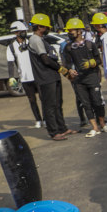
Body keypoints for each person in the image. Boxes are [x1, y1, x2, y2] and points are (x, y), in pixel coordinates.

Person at [27, 13, 78, 141]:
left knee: (57, 103)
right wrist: (61, 69)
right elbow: (45, 59)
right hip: (45, 77)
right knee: (49, 106)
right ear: (39, 27)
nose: (48, 29)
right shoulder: (35, 40)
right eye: (46, 27)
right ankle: (54, 132)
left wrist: (61, 71)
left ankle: (62, 128)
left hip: (52, 76)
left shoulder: (42, 39)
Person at [62, 18, 107, 138]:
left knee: (97, 102)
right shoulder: (68, 48)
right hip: (79, 81)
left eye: (71, 31)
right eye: (69, 31)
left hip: (92, 77)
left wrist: (91, 63)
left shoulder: (90, 44)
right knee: (86, 104)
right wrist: (69, 70)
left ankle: (102, 124)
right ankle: (94, 127)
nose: (69, 33)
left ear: (79, 31)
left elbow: (98, 60)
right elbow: (66, 64)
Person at [6, 21, 43, 128]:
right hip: (25, 78)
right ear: (16, 33)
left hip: (37, 75)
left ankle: (46, 119)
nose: (24, 33)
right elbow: (10, 63)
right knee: (32, 100)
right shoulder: (11, 47)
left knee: (42, 98)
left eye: (24, 31)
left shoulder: (31, 42)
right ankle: (38, 119)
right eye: (21, 31)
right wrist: (11, 77)